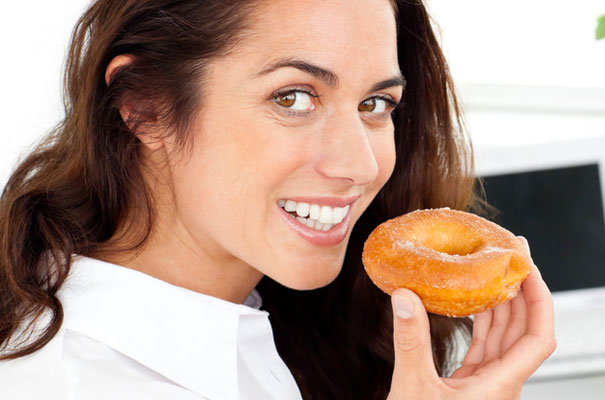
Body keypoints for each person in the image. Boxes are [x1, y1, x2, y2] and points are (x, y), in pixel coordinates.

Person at [0, 0, 556, 398]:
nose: (361, 166)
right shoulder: (73, 383)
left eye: (377, 103)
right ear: (143, 104)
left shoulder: (289, 325)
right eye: (293, 97)